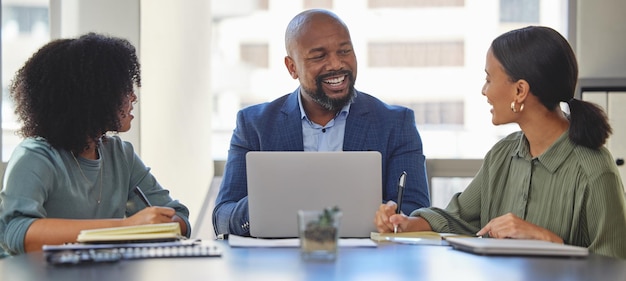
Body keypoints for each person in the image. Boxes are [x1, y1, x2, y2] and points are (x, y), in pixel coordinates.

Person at [374, 26, 626, 259]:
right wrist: (406, 224)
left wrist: (547, 240)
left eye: (489, 79)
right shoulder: (502, 154)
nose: (485, 91)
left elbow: (615, 265)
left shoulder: (594, 170)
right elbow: (458, 218)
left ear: (520, 91)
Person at [212, 9, 430, 236]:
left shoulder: (396, 123)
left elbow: (417, 211)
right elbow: (222, 217)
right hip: (280, 267)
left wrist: (394, 219)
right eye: (319, 56)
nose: (336, 64)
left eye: (345, 51)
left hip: (368, 265)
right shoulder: (254, 125)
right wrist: (264, 203)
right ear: (292, 67)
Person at [0, 33, 191, 255]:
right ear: (92, 95)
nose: (133, 97)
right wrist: (127, 227)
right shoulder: (34, 157)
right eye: (123, 88)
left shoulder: (120, 154)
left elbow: (180, 218)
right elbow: (17, 233)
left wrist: (165, 223)